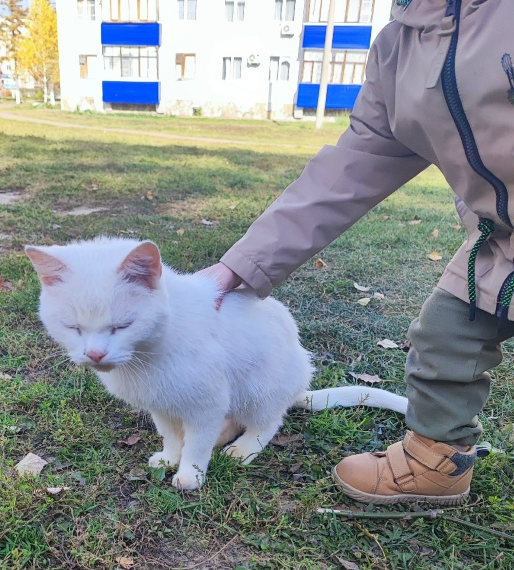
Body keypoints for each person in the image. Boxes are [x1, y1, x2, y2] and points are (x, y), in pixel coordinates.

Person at [203, 0, 514, 506]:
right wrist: (238, 265)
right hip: (498, 237)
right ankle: (437, 461)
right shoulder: (398, 46)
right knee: (445, 335)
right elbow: (353, 165)